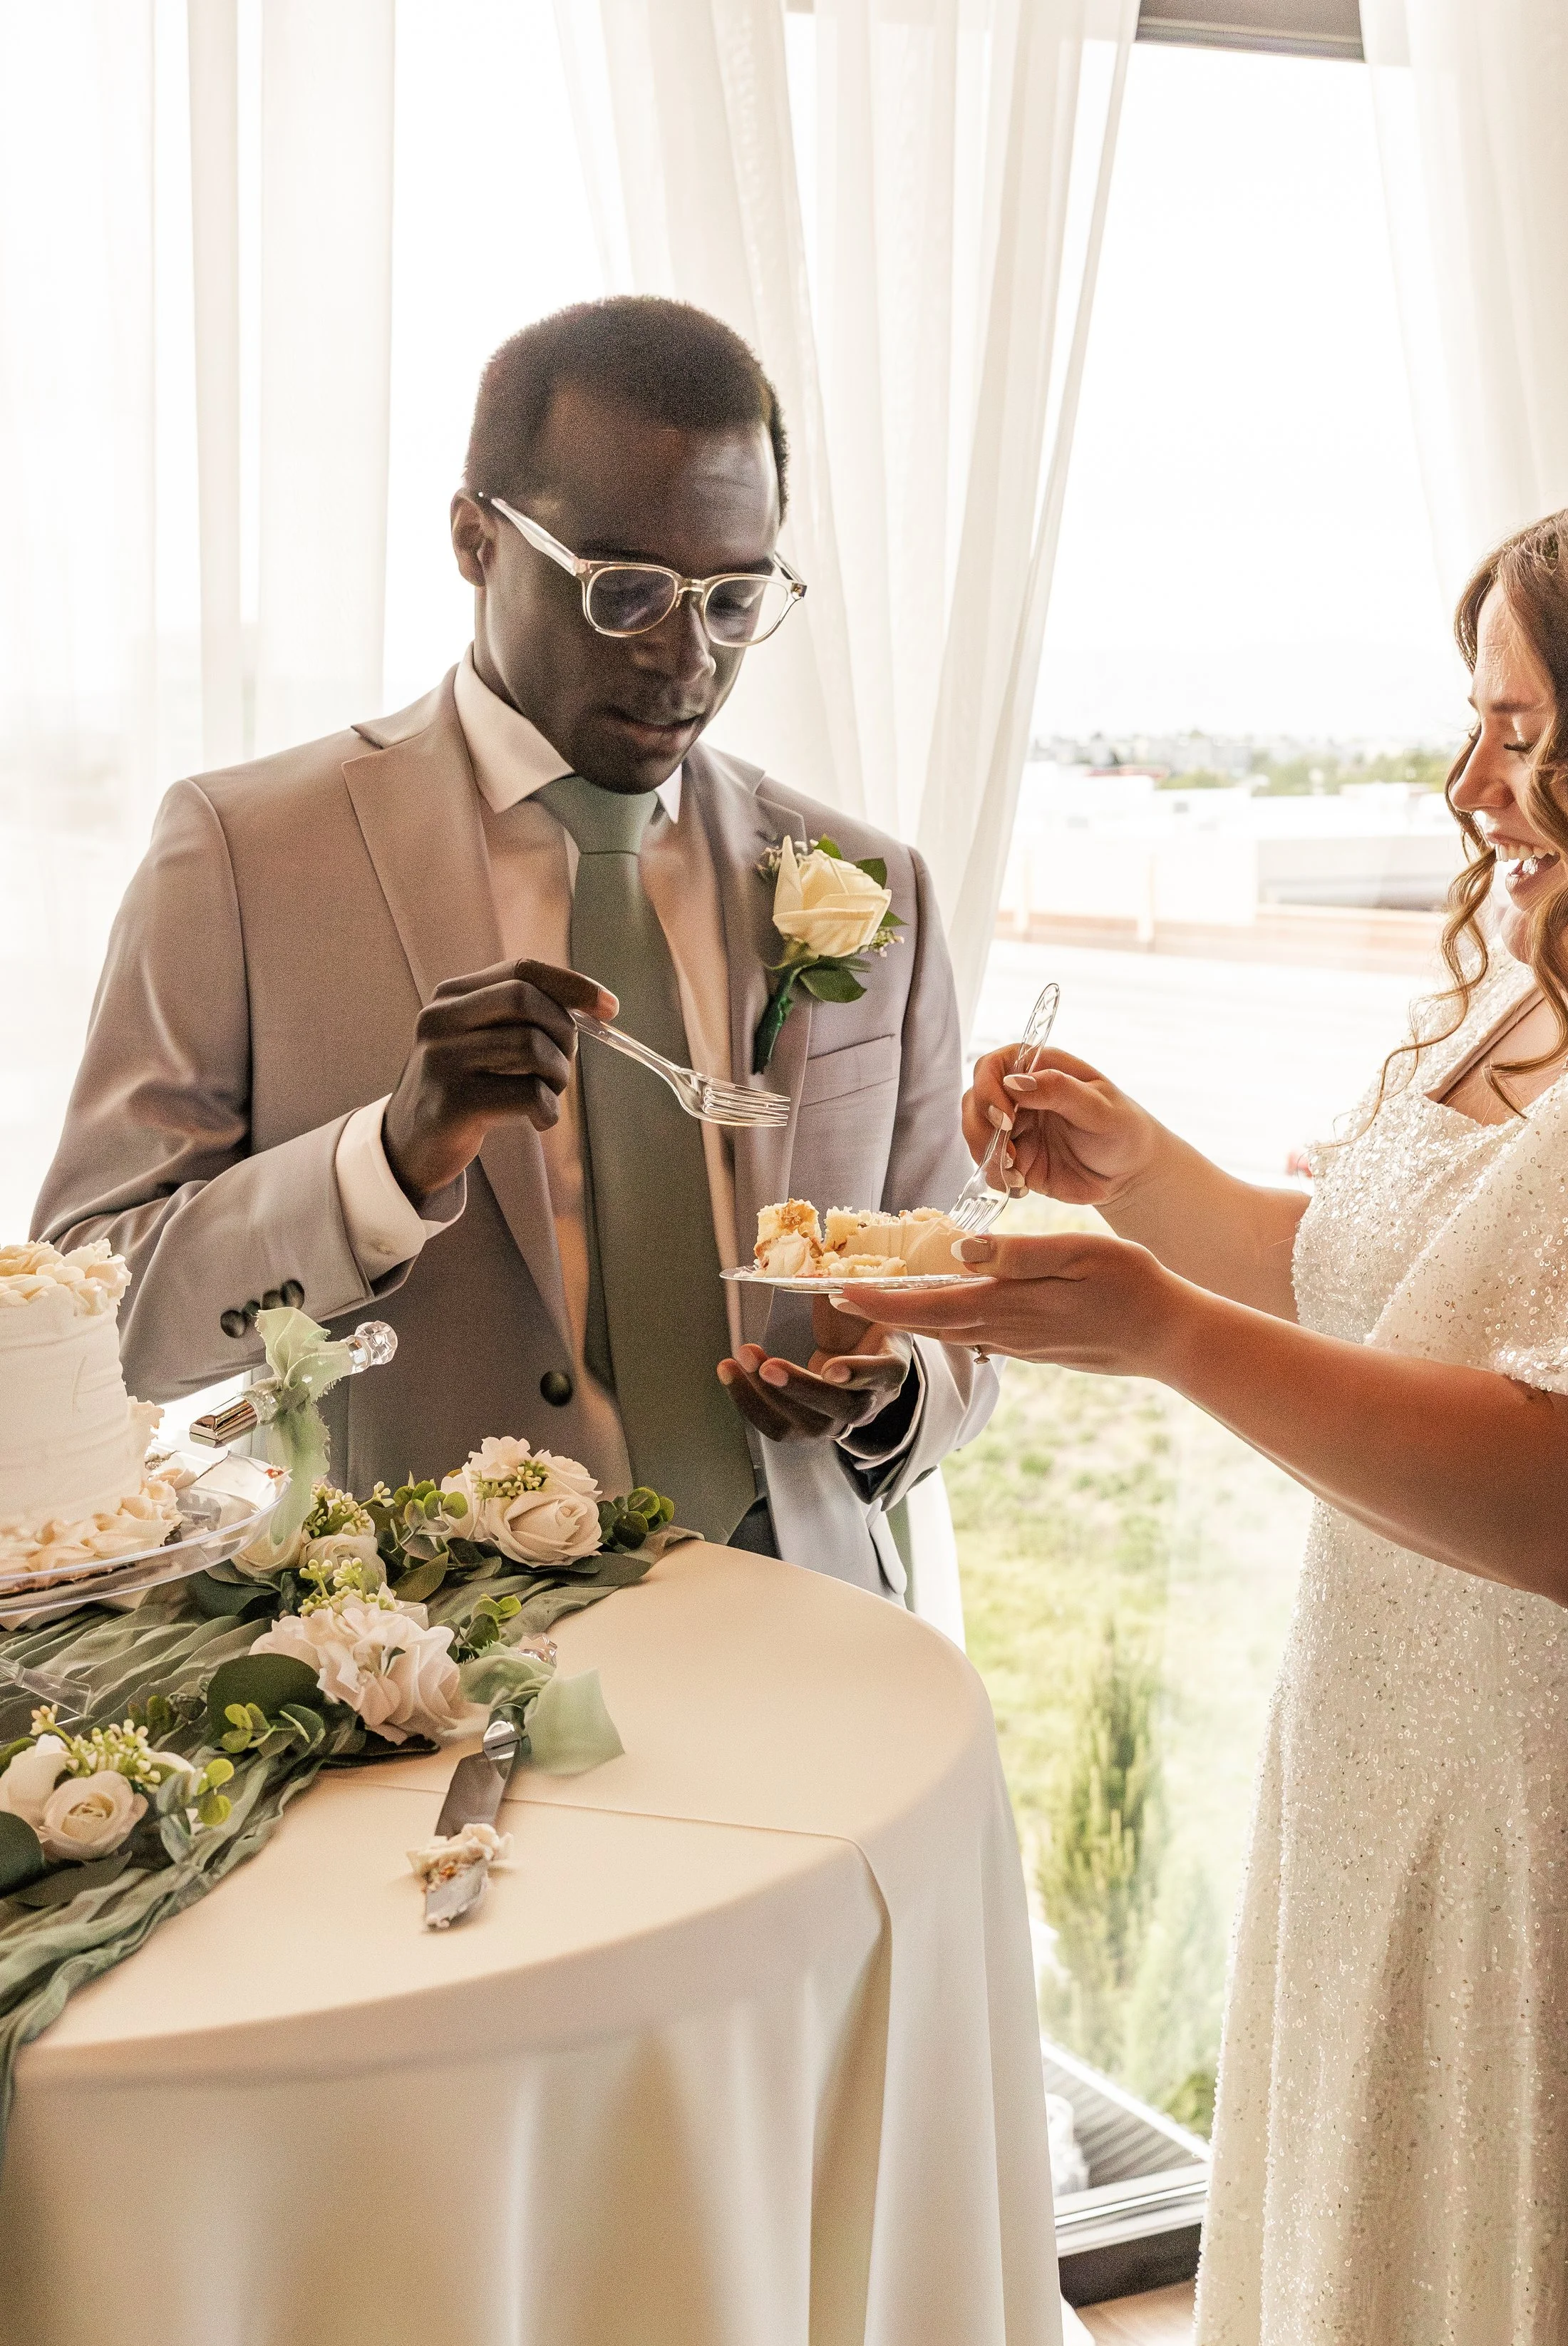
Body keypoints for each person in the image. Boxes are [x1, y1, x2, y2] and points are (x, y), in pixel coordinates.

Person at [851, 462, 1568, 2346]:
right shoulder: (1563, 987)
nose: (1472, 785)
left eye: (1533, 732)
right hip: (1407, 1793)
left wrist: (1162, 1335)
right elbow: (1398, 1284)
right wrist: (1147, 1181)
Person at [33, 297, 993, 1594]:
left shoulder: (878, 887)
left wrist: (896, 1389)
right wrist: (383, 1159)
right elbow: (93, 1317)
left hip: (811, 1632)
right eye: (627, 589)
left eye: (735, 597)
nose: (683, 655)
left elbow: (958, 1297)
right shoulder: (243, 852)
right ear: (476, 541)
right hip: (404, 1674)